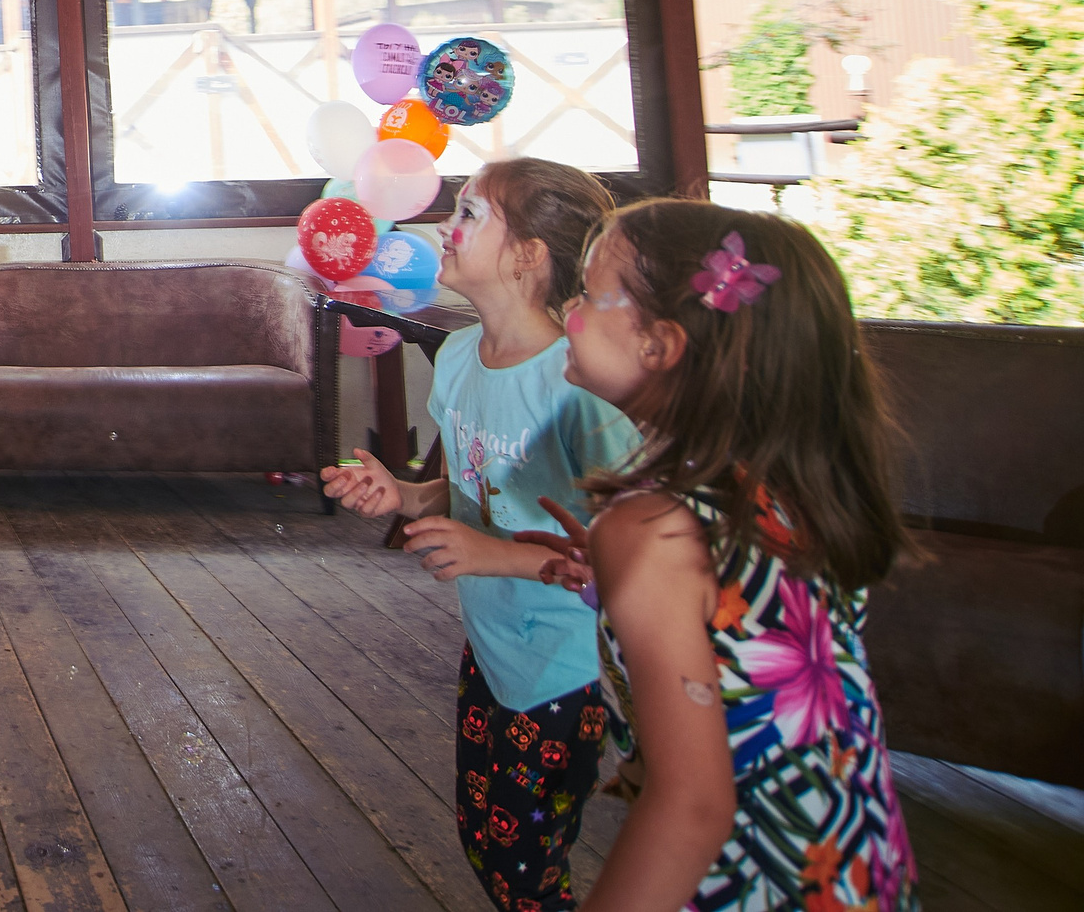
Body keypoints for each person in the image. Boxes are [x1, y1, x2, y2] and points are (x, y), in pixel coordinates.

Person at [533, 203, 917, 911]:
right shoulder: (781, 494)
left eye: (588, 292)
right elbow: (751, 648)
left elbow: (693, 808)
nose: (569, 307)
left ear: (660, 343)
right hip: (855, 866)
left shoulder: (650, 530)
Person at [322, 158, 634, 912]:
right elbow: (469, 491)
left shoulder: (581, 380)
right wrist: (405, 492)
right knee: (485, 835)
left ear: (528, 256)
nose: (444, 227)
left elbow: (634, 548)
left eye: (471, 214)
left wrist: (498, 555)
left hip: (572, 667)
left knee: (520, 861)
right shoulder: (458, 358)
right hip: (493, 651)